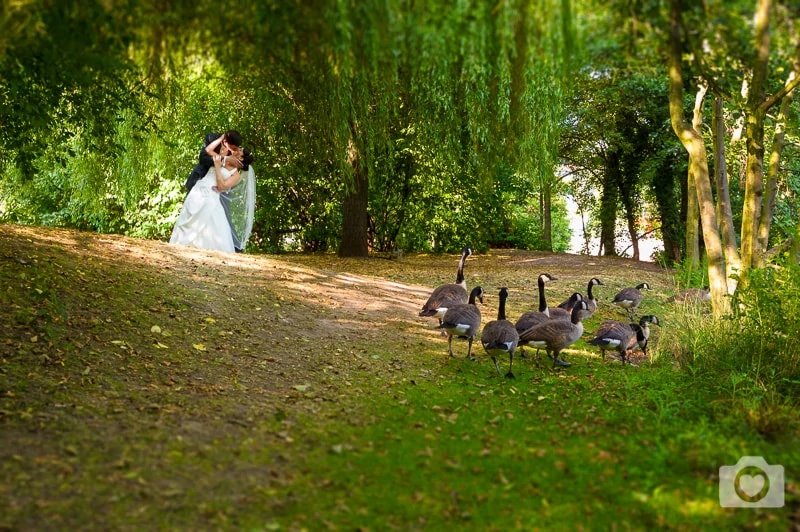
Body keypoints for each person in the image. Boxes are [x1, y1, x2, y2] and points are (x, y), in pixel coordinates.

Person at [170, 142, 256, 253]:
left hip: (211, 196)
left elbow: (222, 186)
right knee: (188, 216)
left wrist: (217, 166)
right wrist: (222, 139)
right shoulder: (225, 154)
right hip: (199, 189)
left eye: (240, 150)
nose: (238, 149)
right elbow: (208, 150)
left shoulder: (236, 175)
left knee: (211, 222)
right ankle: (181, 244)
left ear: (241, 158)